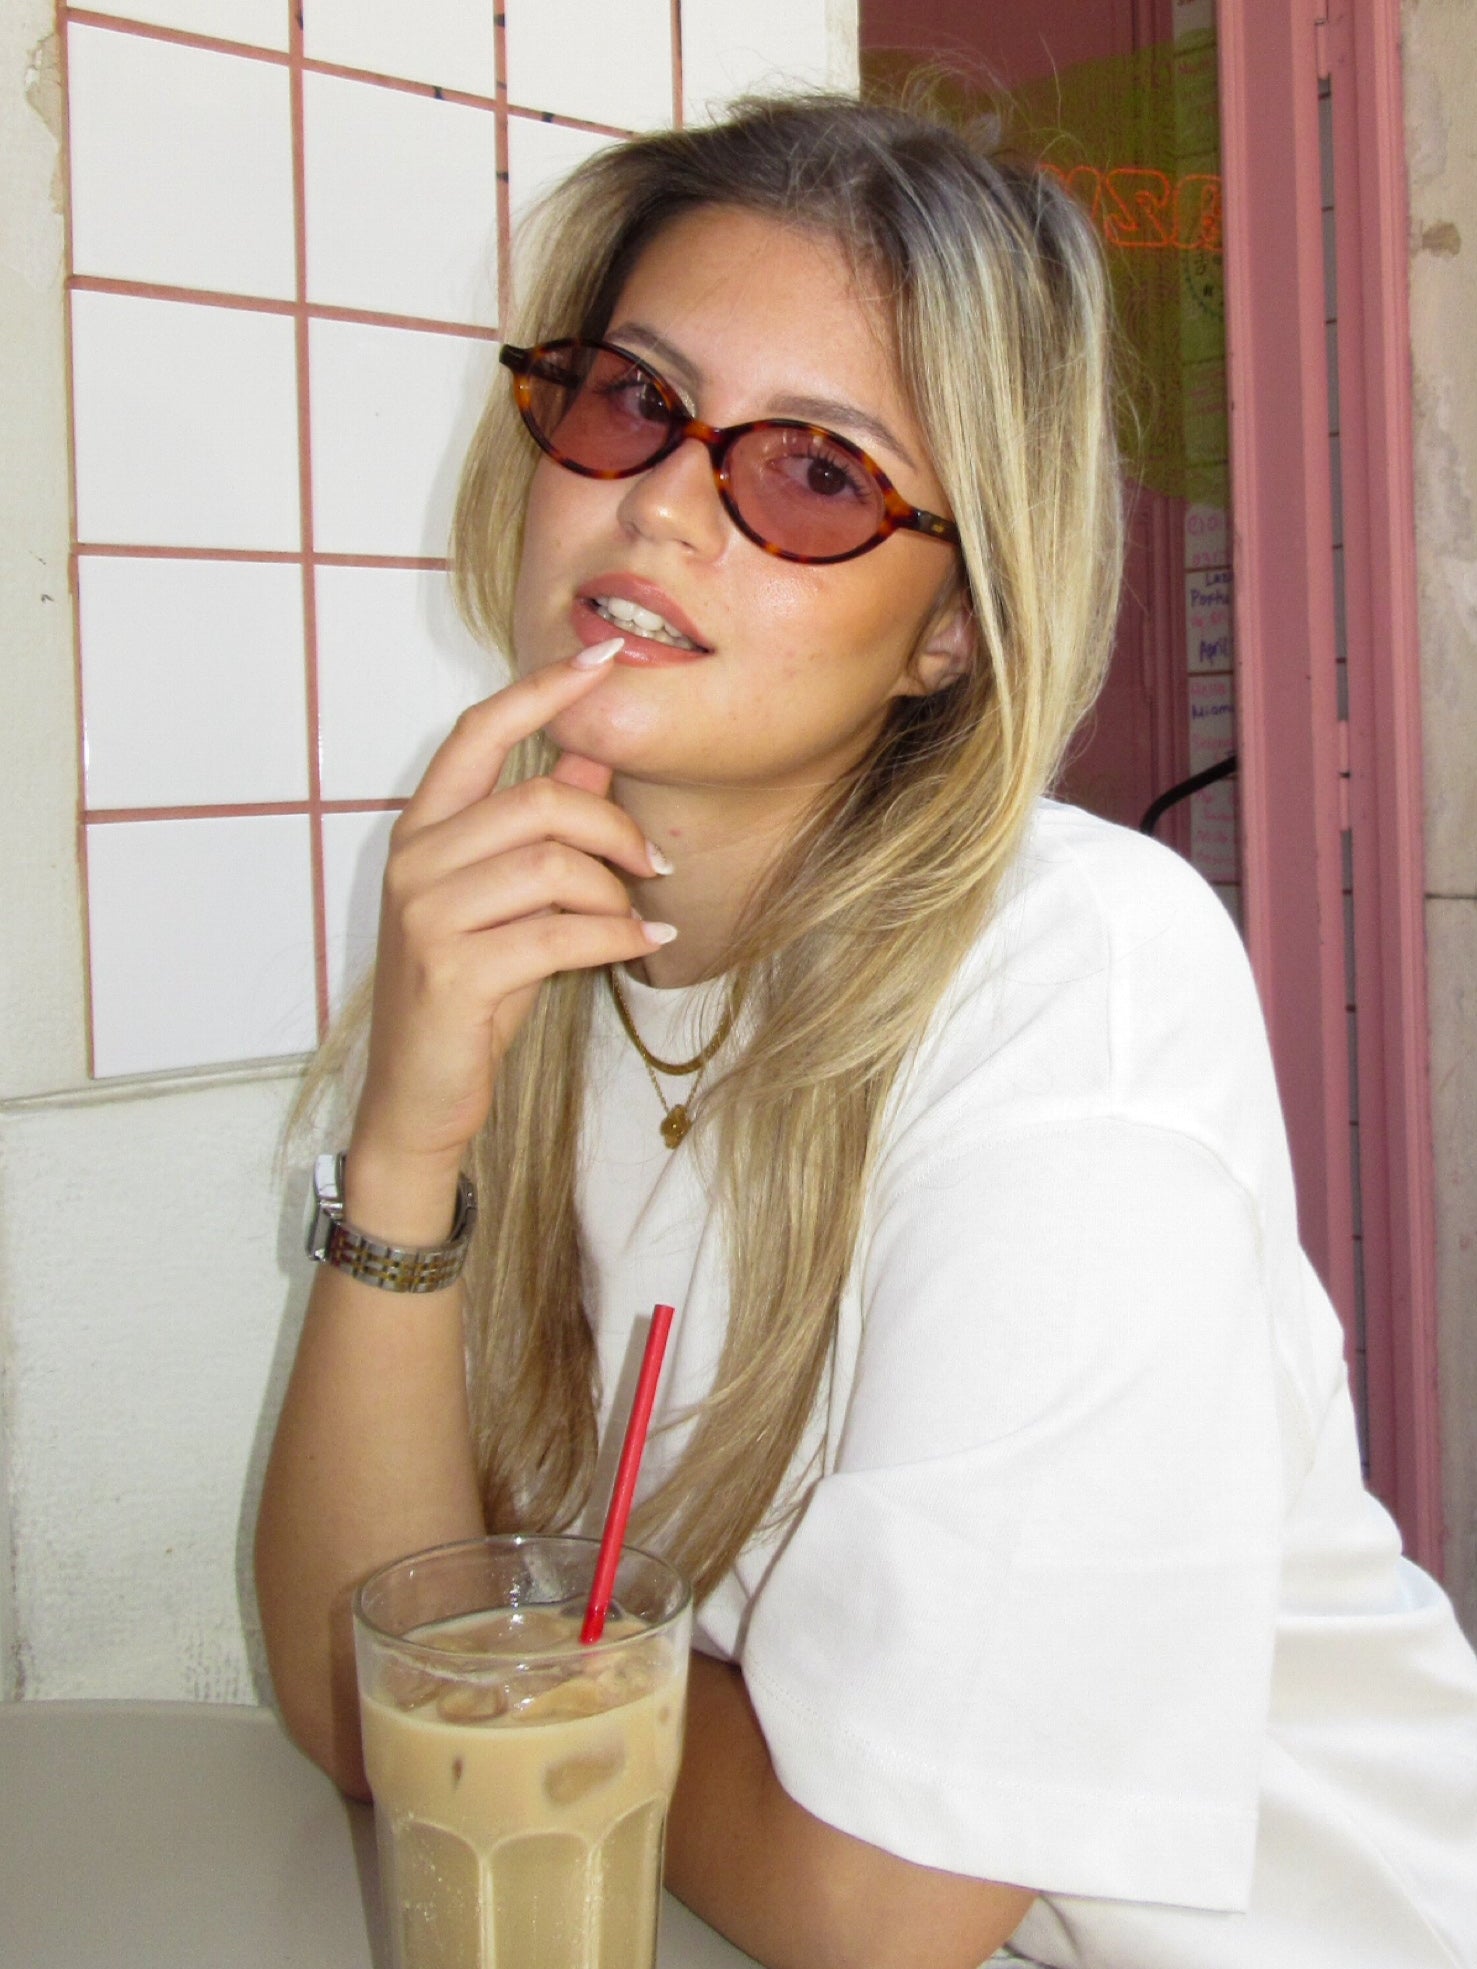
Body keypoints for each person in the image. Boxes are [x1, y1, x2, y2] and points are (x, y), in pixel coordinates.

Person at [254, 93, 1477, 1969]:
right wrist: (408, 1147)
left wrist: (528, 1701)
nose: (660, 499)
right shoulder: (517, 931)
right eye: (627, 402)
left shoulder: (1077, 979)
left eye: (813, 473)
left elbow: (877, 1889)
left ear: (949, 631)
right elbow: (365, 1699)